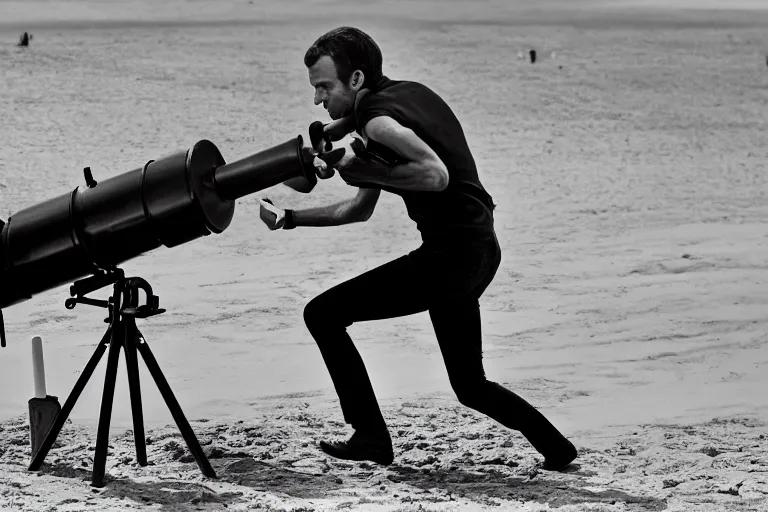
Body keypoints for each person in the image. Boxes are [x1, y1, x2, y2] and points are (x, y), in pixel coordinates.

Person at [259, 26, 577, 471]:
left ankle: (370, 436)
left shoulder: (377, 122)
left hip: (448, 258)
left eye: (323, 87)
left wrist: (363, 169)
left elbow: (435, 175)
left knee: (322, 314)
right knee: (469, 385)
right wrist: (293, 217)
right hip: (480, 250)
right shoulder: (407, 94)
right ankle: (557, 448)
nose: (316, 99)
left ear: (354, 80)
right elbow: (359, 210)